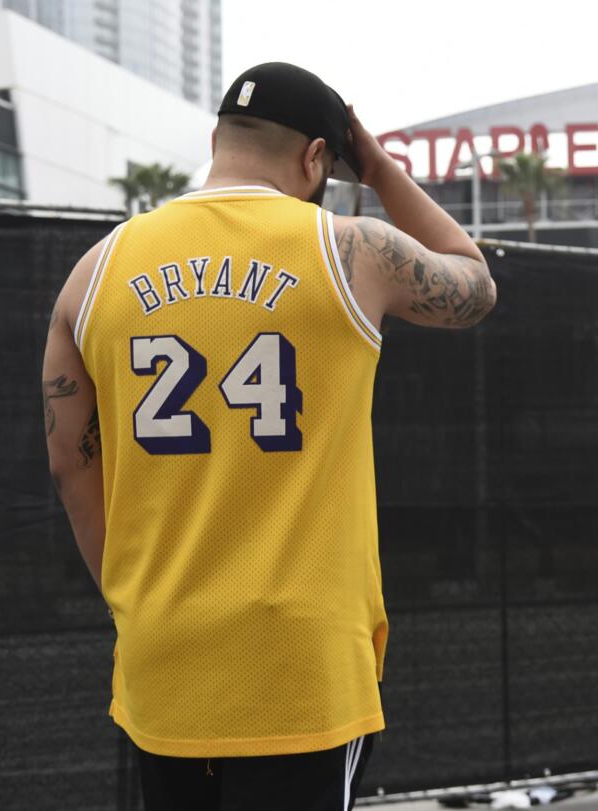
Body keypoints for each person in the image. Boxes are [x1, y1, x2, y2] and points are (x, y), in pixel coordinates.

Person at [40, 61, 497, 810]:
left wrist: (137, 601)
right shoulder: (351, 251)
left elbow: (69, 464)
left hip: (164, 658)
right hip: (300, 670)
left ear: (216, 138)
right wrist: (379, 170)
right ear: (318, 158)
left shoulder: (95, 271)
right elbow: (474, 281)